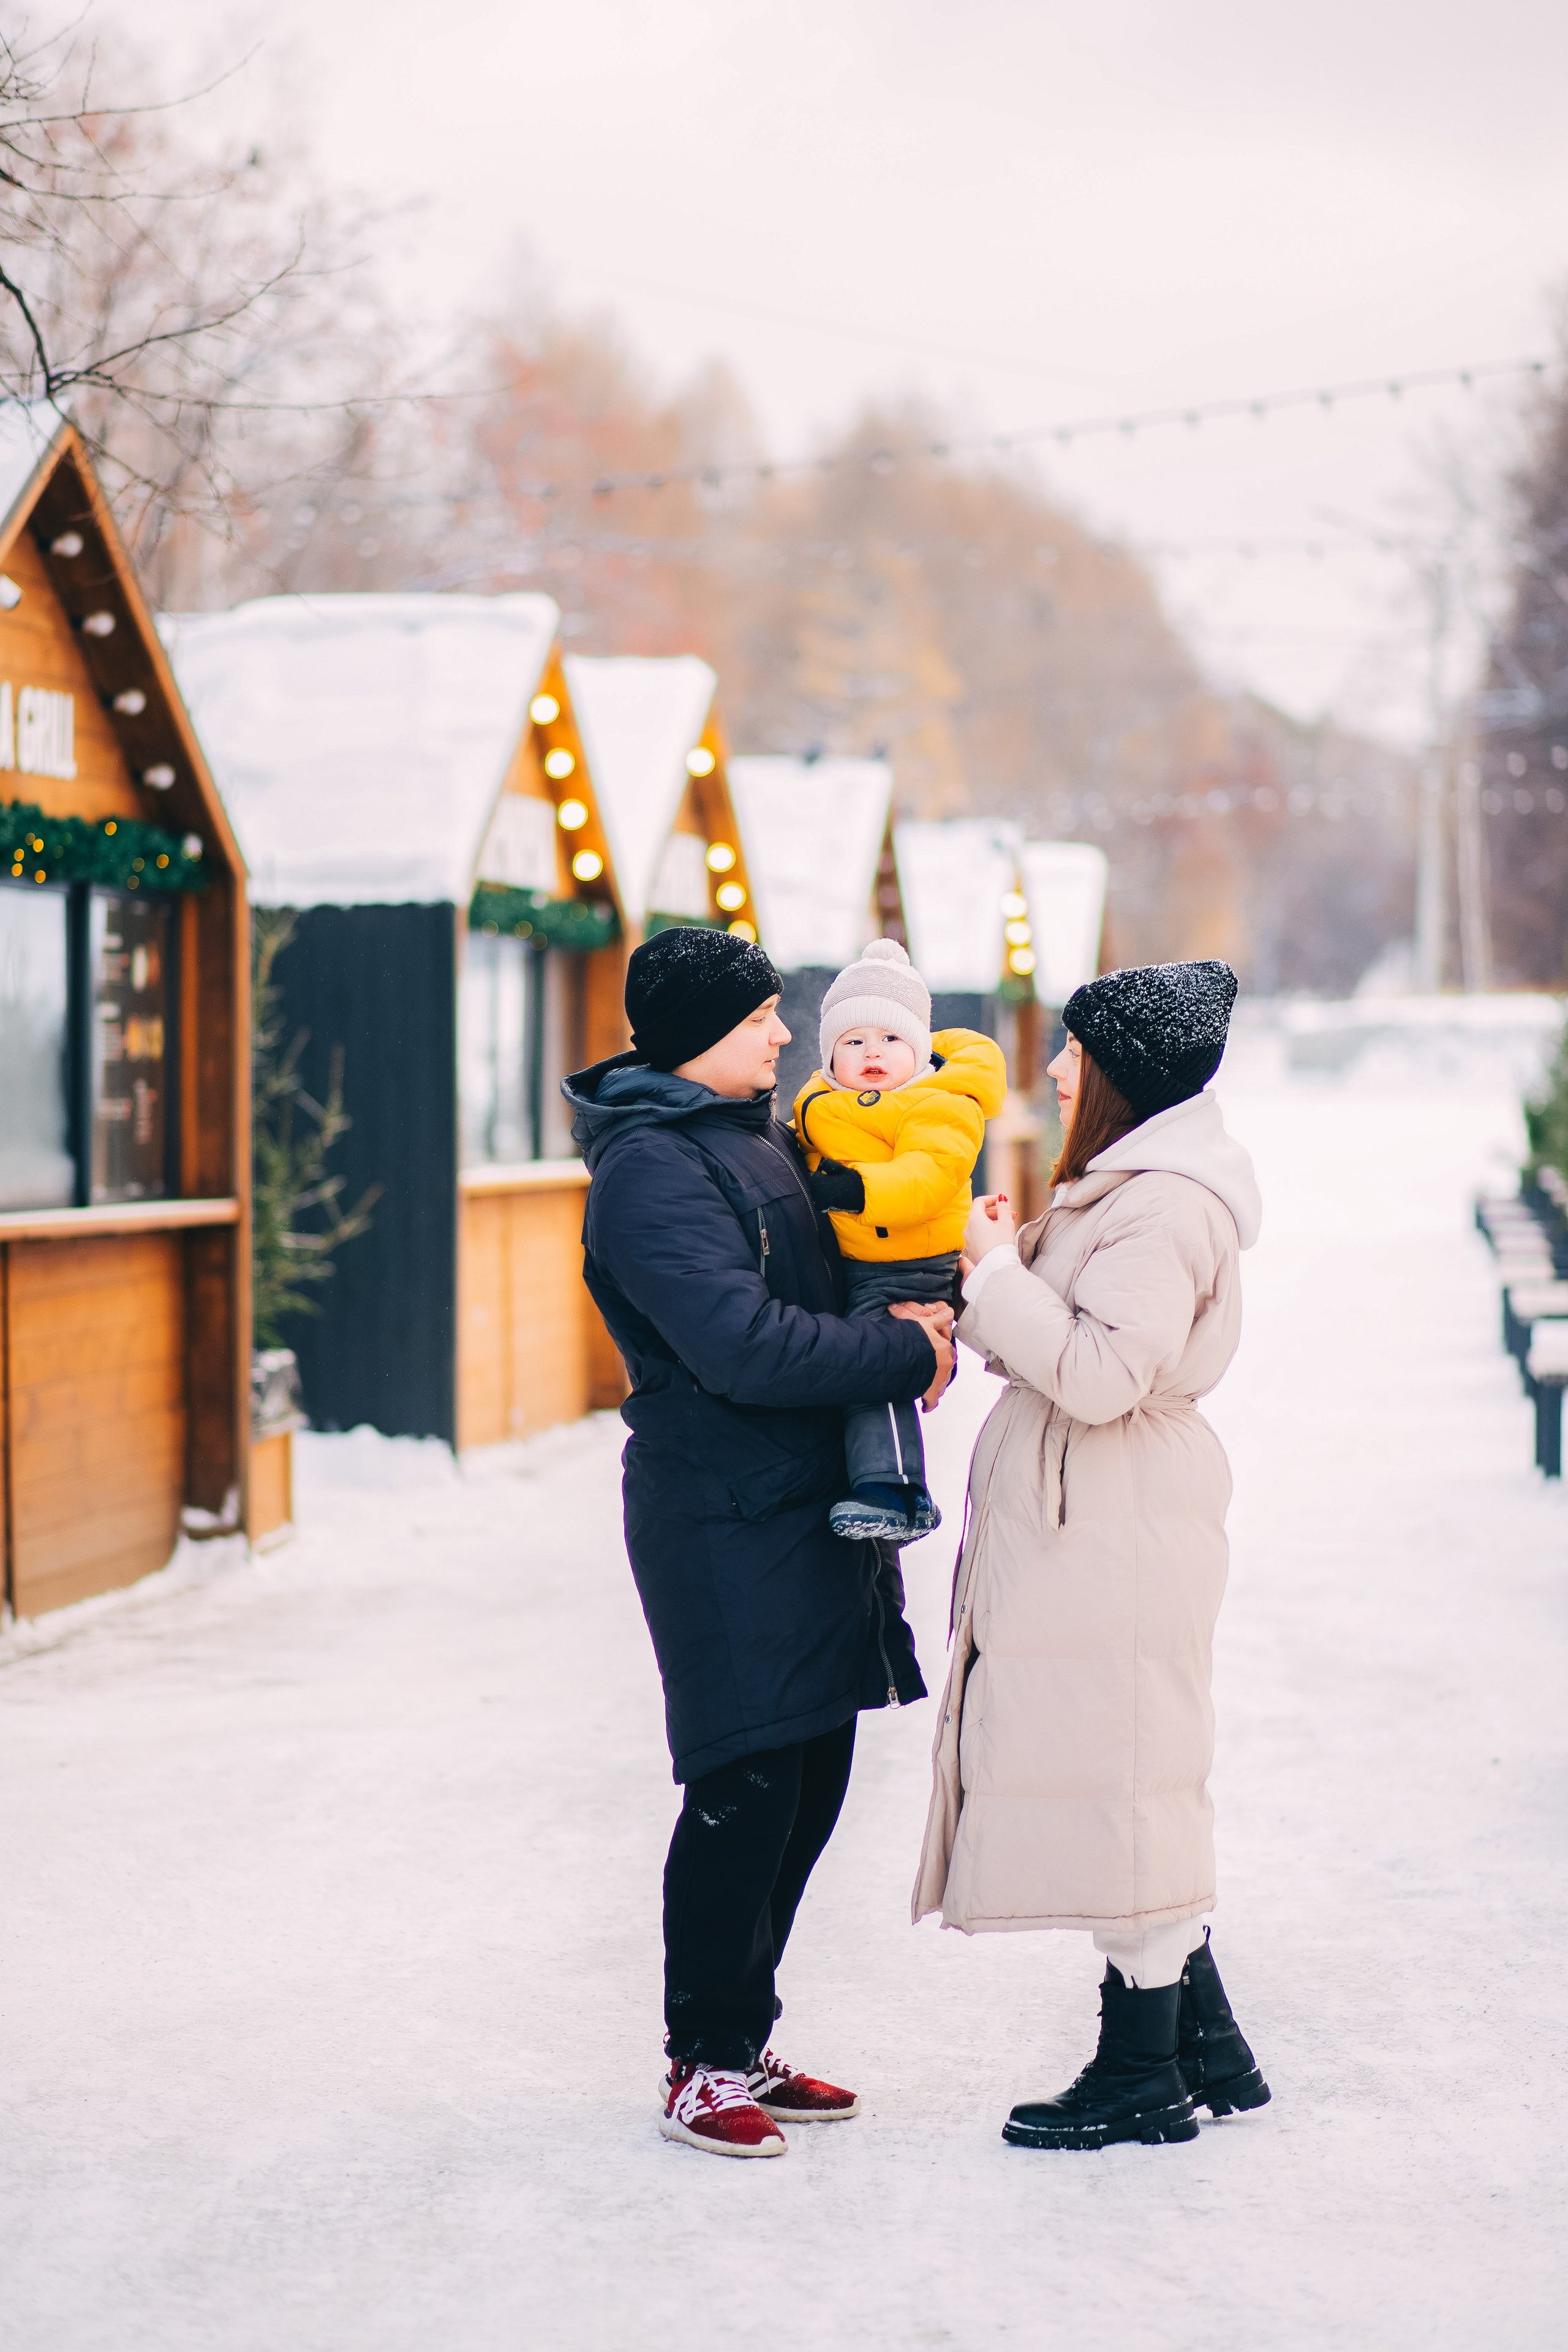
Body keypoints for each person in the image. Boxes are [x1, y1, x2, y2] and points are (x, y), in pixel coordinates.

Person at [564, 925, 954, 2160]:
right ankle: (701, 2058)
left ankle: (741, 2036)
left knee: (813, 1772)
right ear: (697, 1037)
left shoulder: (745, 1139)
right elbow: (739, 1346)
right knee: (744, 1778)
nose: (786, 1035)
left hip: (794, 1502)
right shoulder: (650, 1175)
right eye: (759, 1020)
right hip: (719, 1513)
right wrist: (904, 1352)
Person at [912, 959, 1272, 2151]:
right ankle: (1205, 2045)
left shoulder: (1161, 1203)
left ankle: (1139, 2076)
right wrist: (1005, 1288)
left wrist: (994, 1281)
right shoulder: (1134, 1187)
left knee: (1124, 1782)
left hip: (1118, 1514)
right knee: (1130, 1769)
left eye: (1074, 1053)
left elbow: (1104, 1373)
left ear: (1121, 1075)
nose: (1055, 1068)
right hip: (1102, 1512)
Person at [792, 937, 1008, 1544]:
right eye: (852, 1041)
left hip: (905, 1259)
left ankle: (894, 1488)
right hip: (860, 1254)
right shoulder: (821, 1100)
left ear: (919, 1049)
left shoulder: (936, 1103)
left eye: (890, 1040)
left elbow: (929, 1176)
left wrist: (855, 1190)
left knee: (875, 1358)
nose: (872, 1054)